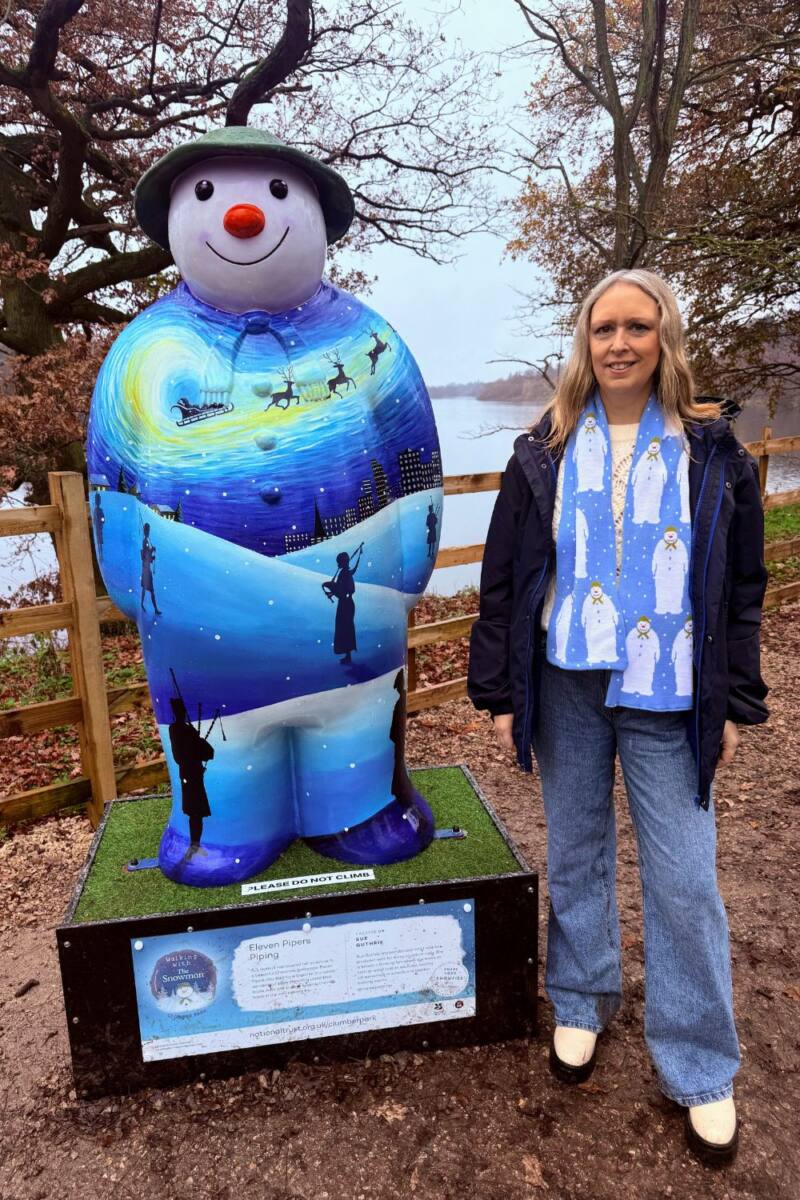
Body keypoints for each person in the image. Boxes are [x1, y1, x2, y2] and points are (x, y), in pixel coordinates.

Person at [467, 269, 768, 1166]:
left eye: (639, 326)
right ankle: (580, 1000)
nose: (620, 343)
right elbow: (503, 578)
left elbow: (743, 588)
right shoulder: (545, 448)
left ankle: (700, 1064)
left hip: (670, 692)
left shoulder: (713, 452)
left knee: (684, 881)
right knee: (576, 852)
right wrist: (498, 692)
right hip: (567, 681)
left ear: (664, 337)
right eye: (605, 328)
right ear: (585, 342)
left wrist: (736, 699)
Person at [168, 697, 214, 856]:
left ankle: (195, 845)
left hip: (192, 774)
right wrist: (195, 738)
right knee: (195, 811)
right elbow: (200, 752)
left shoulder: (182, 730)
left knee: (196, 812)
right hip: (191, 774)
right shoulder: (181, 730)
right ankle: (194, 845)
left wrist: (195, 737)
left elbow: (207, 752)